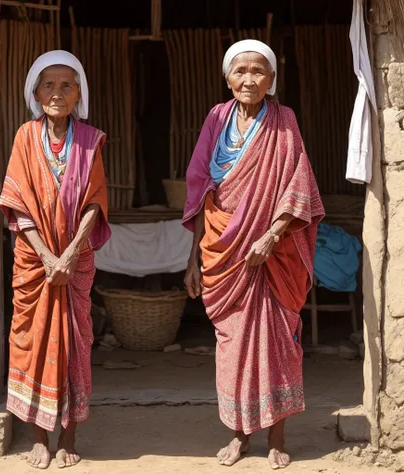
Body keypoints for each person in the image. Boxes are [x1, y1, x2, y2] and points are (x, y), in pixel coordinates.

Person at [183, 40, 324, 470]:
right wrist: (193, 259)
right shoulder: (215, 119)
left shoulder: (285, 122)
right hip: (223, 253)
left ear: (272, 78)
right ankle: (240, 434)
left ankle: (277, 436)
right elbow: (202, 190)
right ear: (227, 77)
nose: (249, 79)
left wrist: (271, 236)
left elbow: (299, 187)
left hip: (273, 255)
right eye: (240, 70)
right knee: (232, 346)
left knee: (280, 342)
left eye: (258, 71)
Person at [0, 50, 110, 469]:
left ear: (79, 92)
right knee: (32, 344)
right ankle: (39, 438)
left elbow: (94, 203)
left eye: (67, 85)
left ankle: (68, 437)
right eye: (49, 85)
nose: (57, 93)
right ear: (35, 93)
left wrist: (69, 254)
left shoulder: (90, 140)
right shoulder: (25, 138)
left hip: (74, 261)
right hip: (35, 263)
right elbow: (17, 202)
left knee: (74, 347)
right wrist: (47, 257)